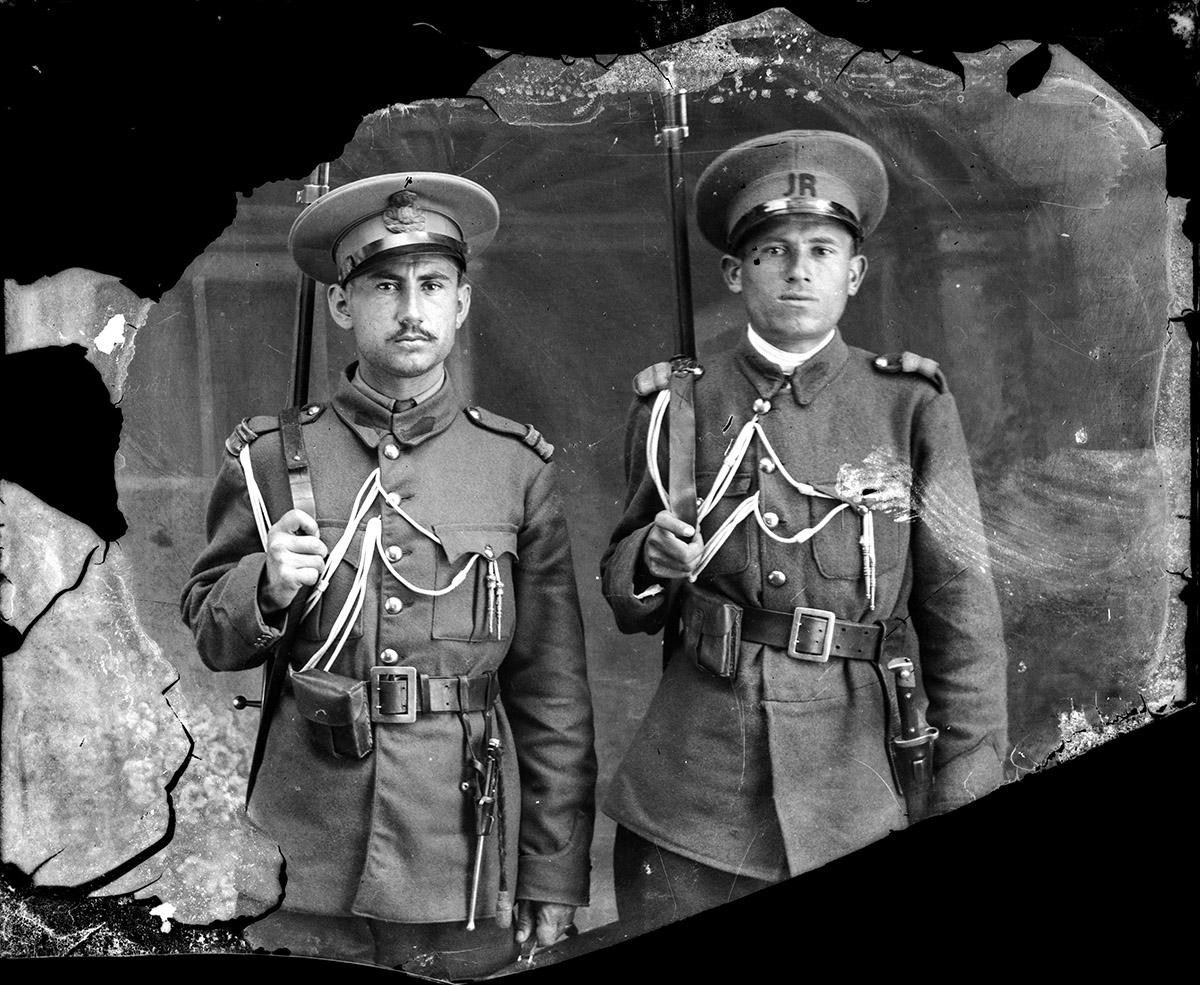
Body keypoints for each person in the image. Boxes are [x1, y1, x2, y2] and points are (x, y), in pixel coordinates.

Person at [182, 172, 597, 976]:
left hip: (459, 851)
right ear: (342, 304)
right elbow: (211, 631)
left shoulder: (515, 468)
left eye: (432, 284)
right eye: (384, 285)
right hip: (303, 846)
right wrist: (265, 585)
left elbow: (552, 693)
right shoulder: (271, 458)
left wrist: (552, 872)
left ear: (461, 303)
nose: (411, 308)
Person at [600, 130, 1008, 930]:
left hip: (857, 781)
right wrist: (651, 557)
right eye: (773, 251)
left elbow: (962, 613)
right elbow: (625, 585)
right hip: (696, 790)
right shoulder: (678, 404)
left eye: (822, 249)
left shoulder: (908, 406)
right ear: (734, 272)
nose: (798, 269)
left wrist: (965, 783)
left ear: (854, 273)